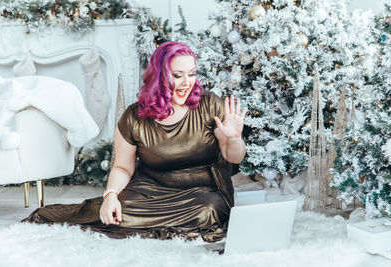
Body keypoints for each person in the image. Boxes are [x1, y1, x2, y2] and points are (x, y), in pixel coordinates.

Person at [23, 41, 247, 242]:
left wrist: (234, 138)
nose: (187, 83)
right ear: (159, 76)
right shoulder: (134, 117)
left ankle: (161, 224)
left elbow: (233, 157)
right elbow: (122, 166)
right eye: (177, 75)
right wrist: (110, 196)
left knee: (209, 212)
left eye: (192, 73)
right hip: (150, 189)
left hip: (202, 191)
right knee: (118, 213)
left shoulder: (210, 105)